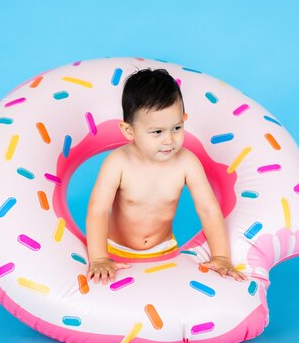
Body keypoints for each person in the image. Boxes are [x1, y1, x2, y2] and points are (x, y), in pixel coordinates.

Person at [85, 68, 247, 285]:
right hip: (116, 249)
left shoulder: (187, 162)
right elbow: (98, 210)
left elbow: (208, 209)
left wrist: (221, 257)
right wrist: (99, 258)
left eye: (177, 127)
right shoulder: (118, 162)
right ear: (129, 131)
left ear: (184, 119)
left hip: (164, 250)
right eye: (157, 132)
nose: (169, 140)